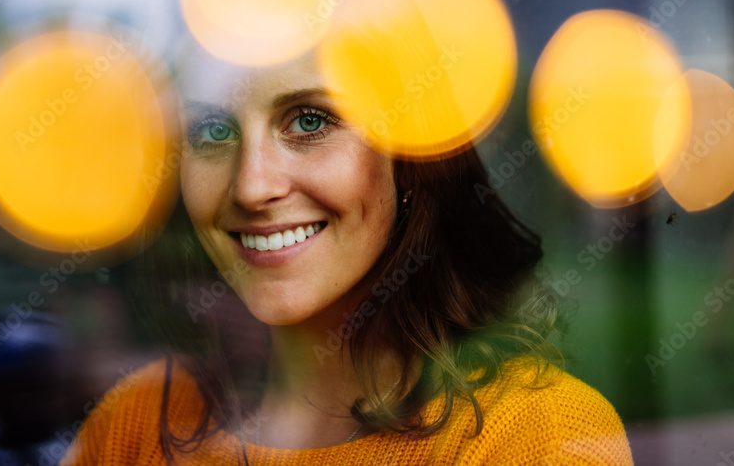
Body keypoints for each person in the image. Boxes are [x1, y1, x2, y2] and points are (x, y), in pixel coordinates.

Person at [60, 39, 634, 465]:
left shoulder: (535, 438)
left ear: (409, 155)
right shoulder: (132, 424)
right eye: (212, 130)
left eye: (310, 120)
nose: (251, 186)